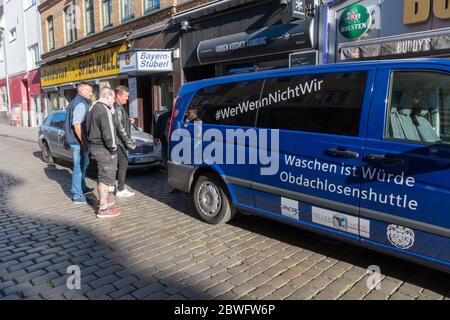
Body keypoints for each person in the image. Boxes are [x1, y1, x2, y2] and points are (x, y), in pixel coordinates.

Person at [85, 87, 121, 218]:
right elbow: (109, 132)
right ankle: (103, 209)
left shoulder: (92, 108)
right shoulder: (103, 110)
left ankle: (103, 201)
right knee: (105, 178)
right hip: (103, 148)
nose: (113, 102)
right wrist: (113, 149)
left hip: (93, 147)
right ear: (108, 97)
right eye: (113, 99)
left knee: (101, 176)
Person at [63, 82, 94, 204]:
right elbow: (76, 125)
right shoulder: (80, 104)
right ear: (80, 92)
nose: (91, 93)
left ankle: (82, 187)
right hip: (78, 142)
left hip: (75, 141)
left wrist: (66, 140)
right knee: (79, 168)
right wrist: (84, 142)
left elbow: (67, 122)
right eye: (89, 91)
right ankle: (77, 195)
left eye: (91, 91)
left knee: (82, 165)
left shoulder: (73, 102)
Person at [112, 85, 136, 197]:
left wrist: (128, 120)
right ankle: (120, 190)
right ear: (118, 96)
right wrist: (129, 142)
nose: (127, 98)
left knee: (120, 164)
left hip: (119, 141)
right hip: (119, 142)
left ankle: (115, 186)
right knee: (123, 164)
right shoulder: (117, 107)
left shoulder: (119, 107)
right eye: (125, 96)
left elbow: (120, 122)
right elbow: (119, 127)